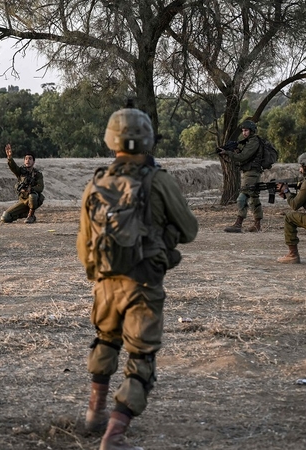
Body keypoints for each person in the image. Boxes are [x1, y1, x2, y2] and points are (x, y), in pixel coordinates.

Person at [76, 106, 198, 450]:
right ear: (147, 138)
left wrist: (99, 278)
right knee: (141, 357)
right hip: (143, 285)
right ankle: (113, 437)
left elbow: (84, 244)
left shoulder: (96, 183)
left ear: (110, 139)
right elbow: (190, 230)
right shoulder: (157, 180)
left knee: (105, 340)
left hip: (105, 283)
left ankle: (94, 415)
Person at [219, 120, 266, 233]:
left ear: (252, 131)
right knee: (254, 198)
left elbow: (243, 157)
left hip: (252, 173)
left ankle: (238, 224)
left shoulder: (254, 141)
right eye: (243, 131)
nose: (244, 133)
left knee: (242, 198)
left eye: (246, 130)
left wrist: (228, 153)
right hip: (249, 172)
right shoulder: (250, 141)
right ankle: (257, 225)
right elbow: (243, 155)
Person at [275, 152, 306, 263]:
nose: (300, 169)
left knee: (289, 217)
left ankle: (292, 255)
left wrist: (286, 191)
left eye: (301, 166)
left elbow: (295, 205)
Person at [0, 144, 44, 224]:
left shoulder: (37, 174)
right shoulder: (21, 172)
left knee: (33, 196)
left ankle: (31, 215)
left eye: (30, 159)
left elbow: (41, 187)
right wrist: (9, 157)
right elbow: (13, 167)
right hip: (23, 199)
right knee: (5, 217)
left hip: (33, 199)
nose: (28, 160)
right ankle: (25, 214)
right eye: (26, 159)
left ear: (33, 162)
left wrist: (31, 189)